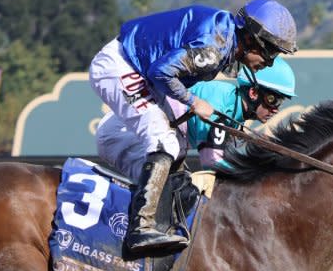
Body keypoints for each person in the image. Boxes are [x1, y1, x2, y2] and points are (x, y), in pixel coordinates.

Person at [89, 0, 297, 254]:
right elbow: (160, 72)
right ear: (254, 41)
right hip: (121, 66)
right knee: (164, 139)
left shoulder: (224, 38)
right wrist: (193, 101)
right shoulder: (213, 50)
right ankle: (140, 229)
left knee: (174, 148)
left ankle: (156, 223)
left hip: (131, 81)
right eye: (272, 52)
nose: (270, 62)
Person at [97, 58, 297, 180]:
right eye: (273, 99)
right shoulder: (222, 105)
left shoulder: (233, 106)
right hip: (122, 136)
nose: (275, 109)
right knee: (173, 189)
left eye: (280, 102)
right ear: (254, 92)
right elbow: (212, 162)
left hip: (134, 132)